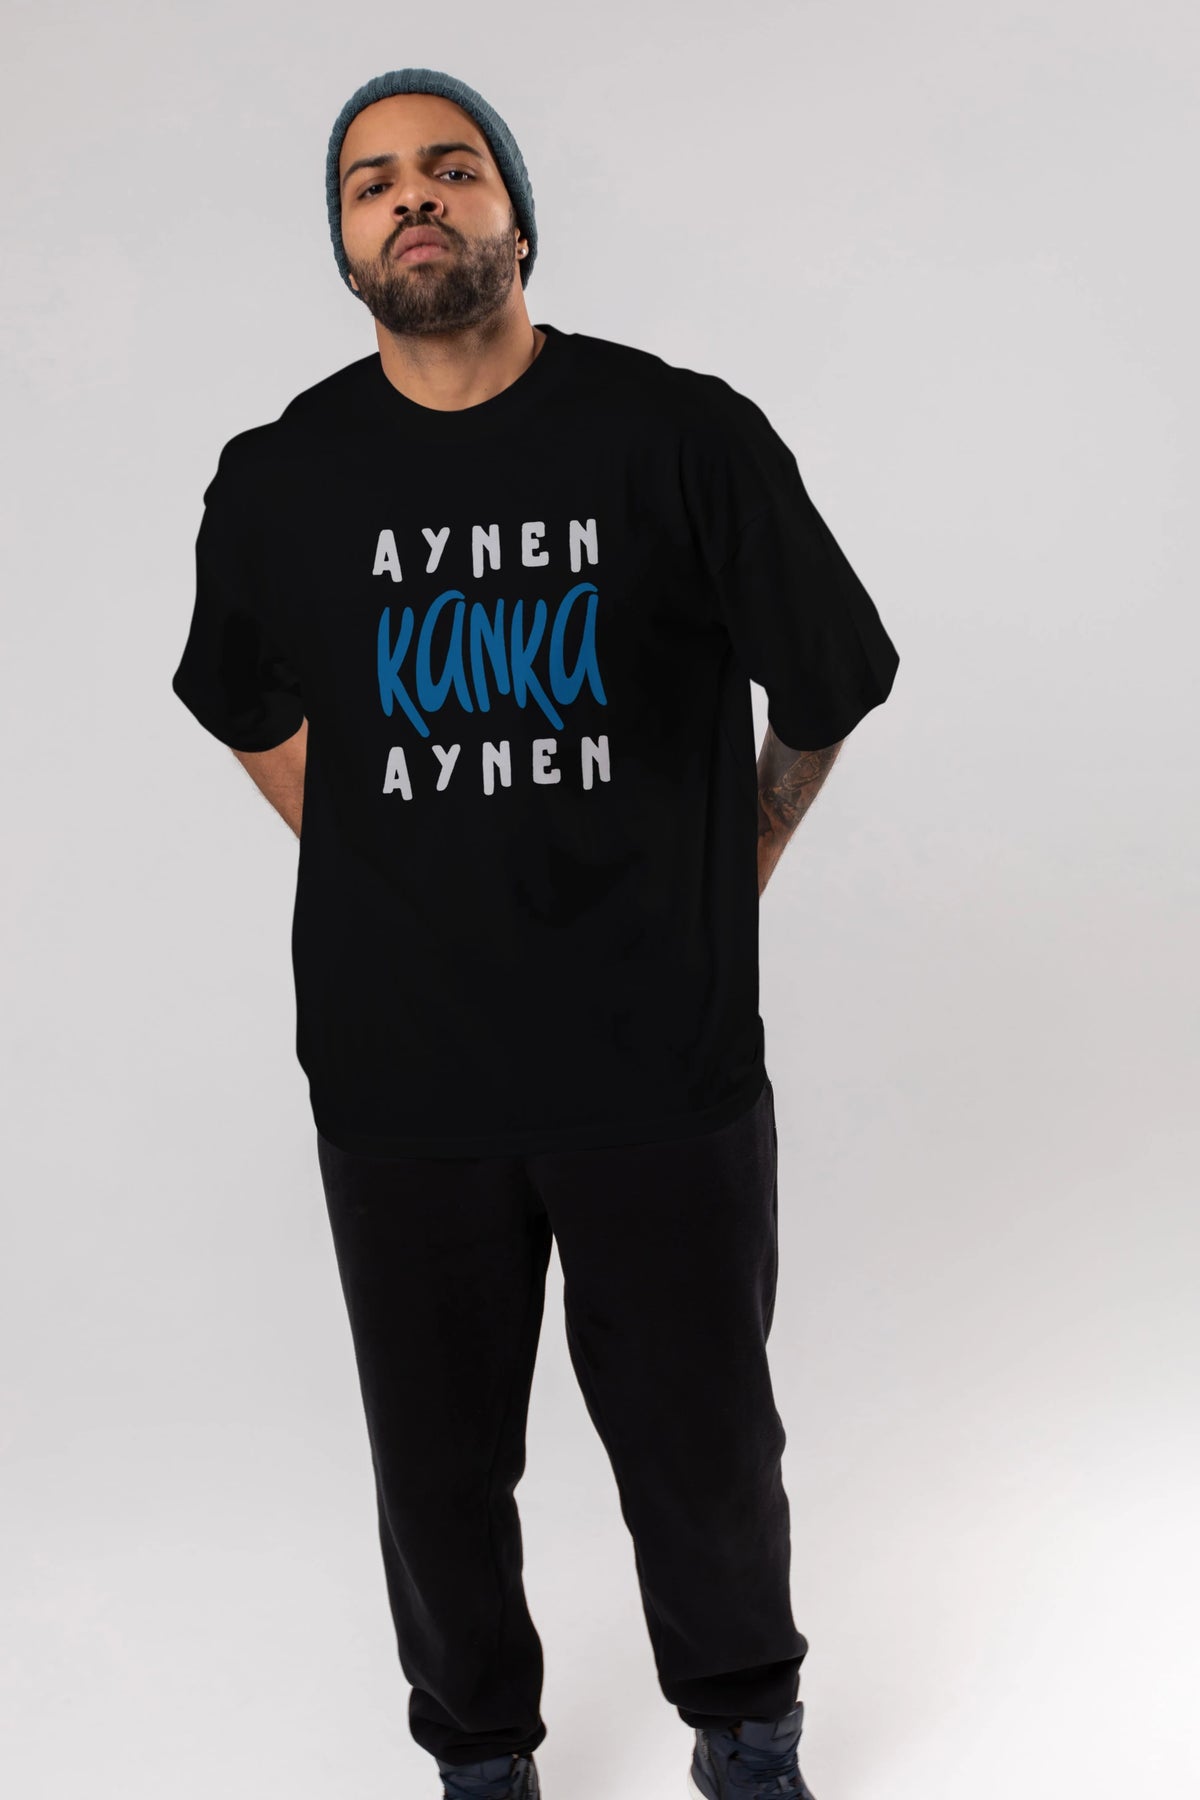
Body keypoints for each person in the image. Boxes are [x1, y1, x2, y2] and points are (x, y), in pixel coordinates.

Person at [170, 66, 900, 1800]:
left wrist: (744, 855)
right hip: (402, 1072)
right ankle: (481, 1758)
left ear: (516, 214)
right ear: (345, 244)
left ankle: (747, 1731)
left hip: (660, 1058)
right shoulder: (279, 478)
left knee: (704, 1442)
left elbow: (828, 677)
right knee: (435, 1469)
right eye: (372, 183)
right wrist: (380, 853)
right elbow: (244, 701)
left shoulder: (680, 436)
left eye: (452, 167)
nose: (413, 197)